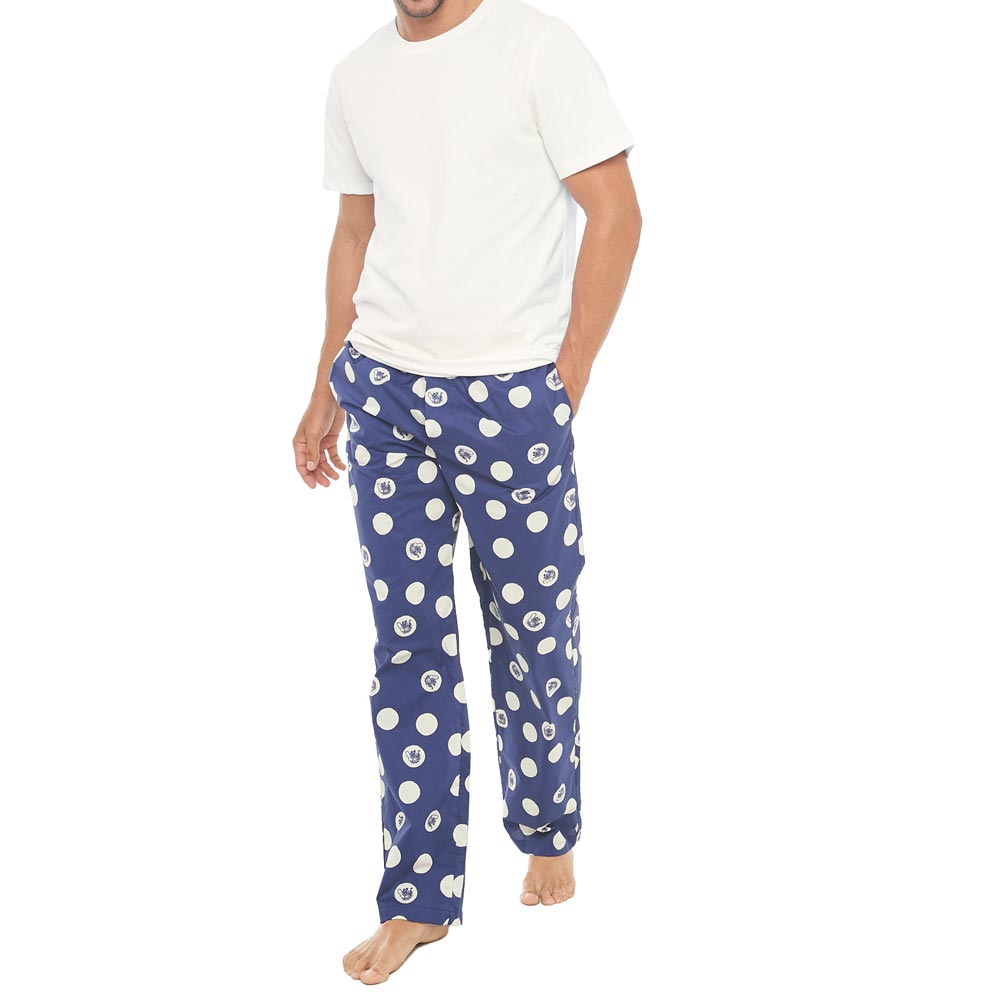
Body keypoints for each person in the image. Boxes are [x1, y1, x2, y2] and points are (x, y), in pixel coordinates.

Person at [293, 0, 641, 985]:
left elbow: (615, 212)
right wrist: (324, 384)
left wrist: (566, 376)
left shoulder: (536, 48)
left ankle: (546, 825)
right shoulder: (356, 74)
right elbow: (354, 232)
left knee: (533, 627)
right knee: (406, 646)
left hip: (510, 397)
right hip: (385, 392)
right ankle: (418, 895)